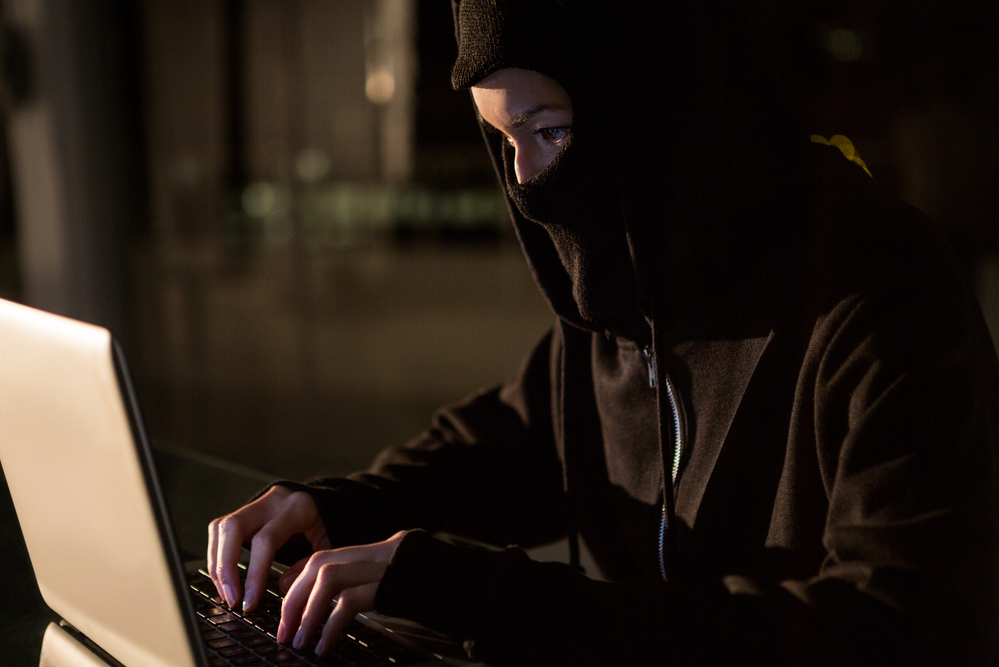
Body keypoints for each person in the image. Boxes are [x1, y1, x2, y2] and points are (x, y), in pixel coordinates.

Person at [207, 1, 999, 664]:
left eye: (550, 131)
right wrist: (332, 509)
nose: (526, 182)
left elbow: (898, 628)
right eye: (503, 141)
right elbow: (512, 446)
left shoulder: (882, 291)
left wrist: (488, 594)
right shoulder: (624, 289)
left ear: (660, 100)